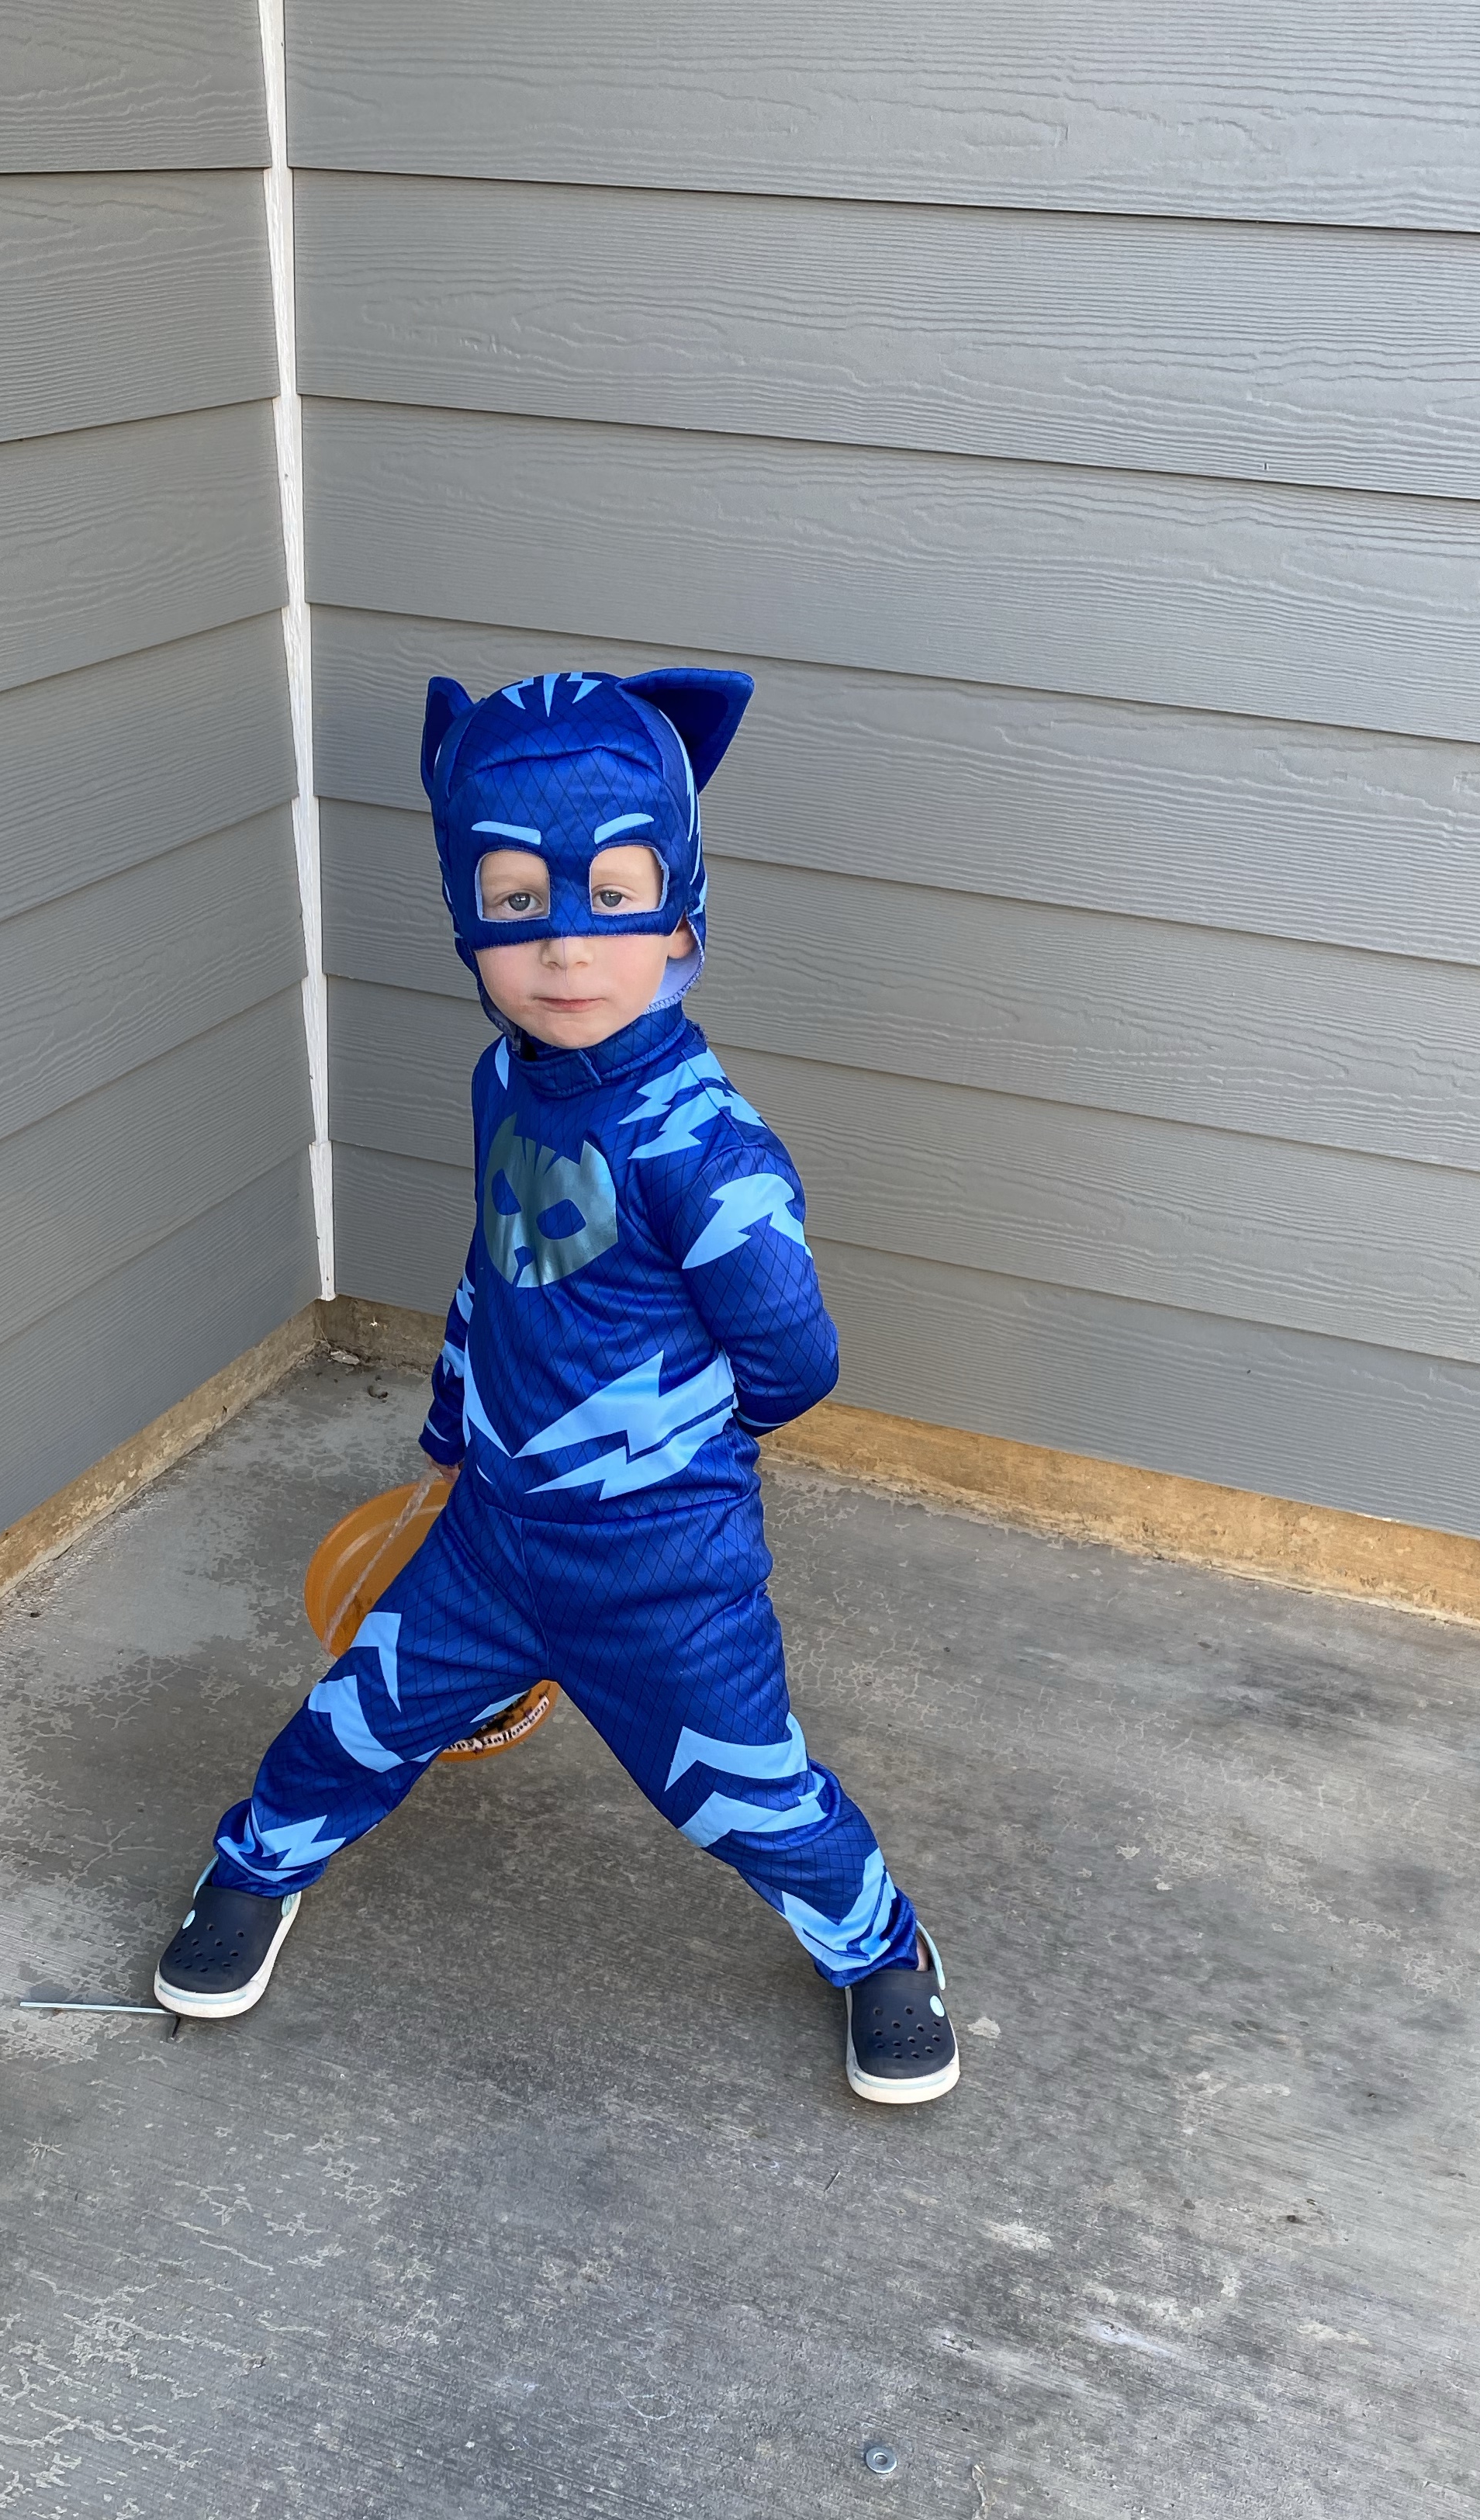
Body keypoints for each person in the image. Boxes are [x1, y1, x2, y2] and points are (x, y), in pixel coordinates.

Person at [153, 664, 960, 2103]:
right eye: (520, 902)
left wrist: (672, 1459)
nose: (568, 948)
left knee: (748, 1792)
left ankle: (881, 1950)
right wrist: (456, 1424)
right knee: (352, 1717)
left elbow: (795, 1360)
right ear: (469, 923)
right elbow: (499, 1266)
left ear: (683, 918)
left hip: (663, 1570)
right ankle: (255, 1871)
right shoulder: (504, 1083)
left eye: (614, 896)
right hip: (490, 1536)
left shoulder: (708, 1152)